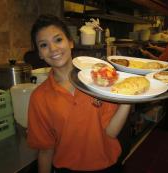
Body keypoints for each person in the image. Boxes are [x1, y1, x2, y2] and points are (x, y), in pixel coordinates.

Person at [27, 14, 131, 173]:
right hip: (67, 169)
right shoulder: (39, 97)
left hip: (108, 167)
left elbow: (111, 132)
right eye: (43, 45)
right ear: (40, 53)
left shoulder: (99, 79)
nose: (53, 49)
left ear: (70, 42)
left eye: (58, 40)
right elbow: (46, 149)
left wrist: (128, 98)